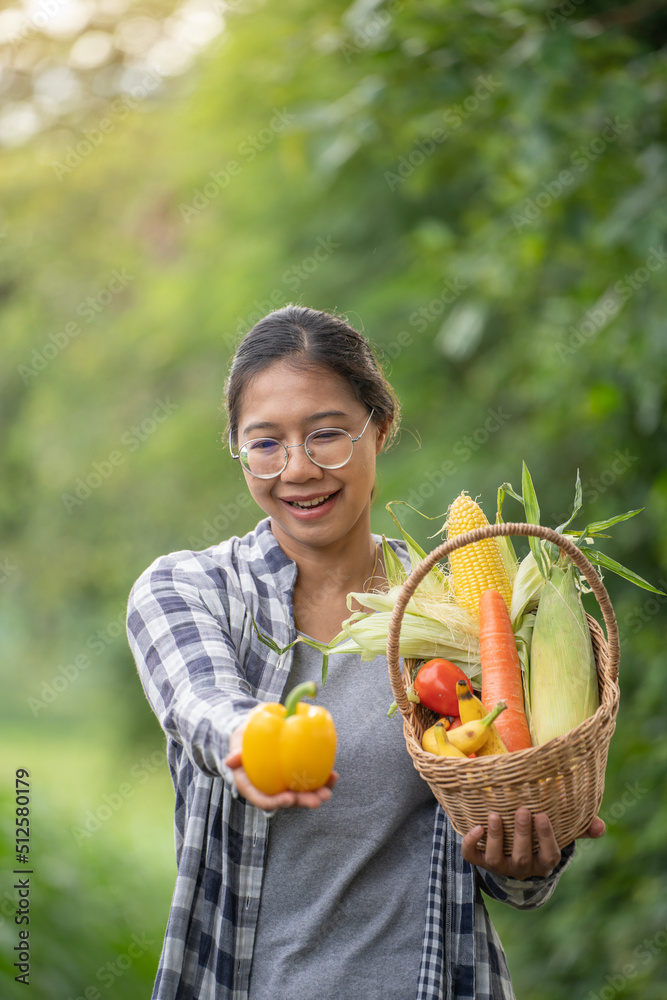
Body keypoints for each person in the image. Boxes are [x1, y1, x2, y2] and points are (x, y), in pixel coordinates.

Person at [126, 305, 605, 1000]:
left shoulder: (457, 608)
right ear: (236, 448)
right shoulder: (188, 587)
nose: (297, 469)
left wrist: (531, 854)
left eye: (326, 435)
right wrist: (251, 745)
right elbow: (199, 703)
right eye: (265, 443)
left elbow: (511, 874)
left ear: (379, 429)